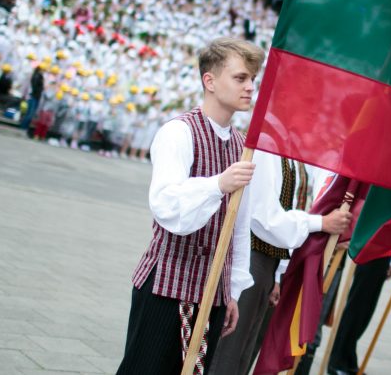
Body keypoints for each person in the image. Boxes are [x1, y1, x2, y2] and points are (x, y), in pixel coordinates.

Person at [115, 38, 264, 374]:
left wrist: (234, 291)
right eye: (240, 78)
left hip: (213, 293)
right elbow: (166, 205)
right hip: (167, 284)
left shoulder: (243, 146)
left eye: (252, 79)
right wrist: (217, 184)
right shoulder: (178, 133)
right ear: (209, 81)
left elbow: (240, 226)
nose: (250, 87)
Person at [211, 153, 350, 375]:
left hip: (270, 263)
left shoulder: (293, 155)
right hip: (251, 258)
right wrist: (321, 223)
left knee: (246, 351)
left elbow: (291, 205)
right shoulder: (267, 152)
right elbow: (265, 218)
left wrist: (277, 275)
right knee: (228, 352)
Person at [326, 257, 391, 375]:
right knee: (356, 307)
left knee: (366, 311)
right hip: (371, 249)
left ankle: (348, 357)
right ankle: (337, 361)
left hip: (385, 253)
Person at [20, 63, 44, 130]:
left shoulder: (37, 76)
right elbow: (35, 88)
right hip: (33, 97)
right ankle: (23, 127)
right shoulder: (37, 77)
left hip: (33, 97)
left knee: (29, 113)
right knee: (29, 114)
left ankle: (24, 127)